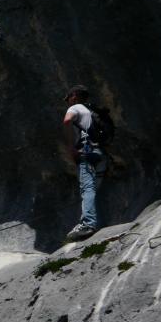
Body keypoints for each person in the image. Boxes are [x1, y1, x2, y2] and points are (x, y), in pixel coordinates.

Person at [62, 85, 108, 241]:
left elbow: (67, 121)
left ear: (74, 95)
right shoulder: (93, 111)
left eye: (68, 98)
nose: (68, 102)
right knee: (93, 190)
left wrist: (70, 148)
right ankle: (95, 223)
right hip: (101, 154)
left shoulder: (75, 108)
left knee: (87, 189)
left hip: (87, 153)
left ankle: (88, 224)